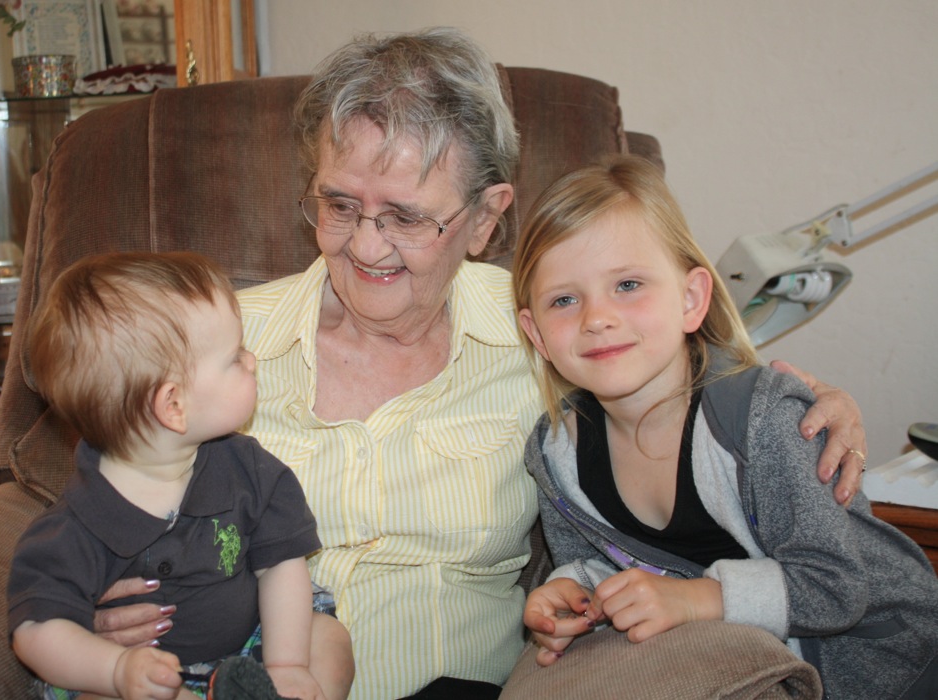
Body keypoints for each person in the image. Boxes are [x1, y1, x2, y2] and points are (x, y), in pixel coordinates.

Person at [93, 29, 869, 700]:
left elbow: (693, 395)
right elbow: (99, 492)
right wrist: (96, 600)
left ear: (486, 219)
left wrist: (809, 402)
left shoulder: (548, 325)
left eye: (405, 216)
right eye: (339, 205)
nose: (364, 246)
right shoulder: (215, 340)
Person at [512, 156, 938, 698]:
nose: (596, 317)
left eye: (628, 284)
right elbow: (591, 562)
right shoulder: (555, 453)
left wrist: (697, 599)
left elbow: (838, 587)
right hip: (744, 661)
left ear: (691, 299)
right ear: (537, 334)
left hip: (888, 667)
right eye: (564, 300)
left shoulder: (763, 421)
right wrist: (567, 592)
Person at [7, 252, 354, 700]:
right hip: (143, 680)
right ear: (173, 406)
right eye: (234, 358)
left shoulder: (248, 469)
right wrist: (115, 670)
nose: (251, 361)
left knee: (328, 638)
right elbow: (34, 630)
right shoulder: (74, 526)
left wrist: (286, 665)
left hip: (255, 650)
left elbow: (281, 564)